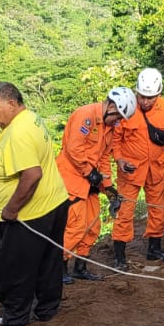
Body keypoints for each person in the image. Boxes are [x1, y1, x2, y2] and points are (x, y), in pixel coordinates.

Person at [0, 82, 71, 326]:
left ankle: (16, 318)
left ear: (12, 103)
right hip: (54, 203)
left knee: (15, 268)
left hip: (30, 214)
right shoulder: (30, 118)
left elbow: (32, 174)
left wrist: (10, 209)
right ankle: (47, 310)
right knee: (48, 261)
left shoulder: (18, 133)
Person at [58, 87, 133, 284]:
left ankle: (80, 267)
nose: (117, 121)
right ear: (110, 105)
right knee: (75, 225)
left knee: (93, 225)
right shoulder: (86, 115)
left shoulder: (110, 128)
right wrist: (90, 173)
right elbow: (73, 149)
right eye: (116, 116)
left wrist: (108, 188)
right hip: (72, 180)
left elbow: (103, 159)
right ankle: (59, 266)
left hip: (90, 182)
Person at [111, 68, 164, 269]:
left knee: (158, 210)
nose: (145, 101)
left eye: (150, 97)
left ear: (158, 94)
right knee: (124, 211)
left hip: (157, 169)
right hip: (131, 170)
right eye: (142, 96)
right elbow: (115, 140)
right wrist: (119, 160)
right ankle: (119, 256)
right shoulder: (126, 108)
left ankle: (154, 248)